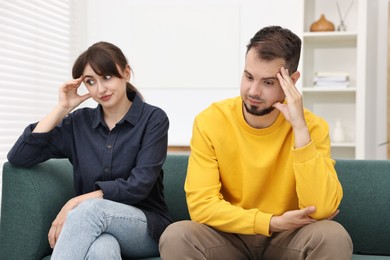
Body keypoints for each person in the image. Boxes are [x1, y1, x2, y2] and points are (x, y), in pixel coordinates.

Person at [159, 26, 353, 259]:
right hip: (229, 236)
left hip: (289, 238)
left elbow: (321, 208)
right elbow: (201, 206)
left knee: (333, 236)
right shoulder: (210, 121)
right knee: (176, 236)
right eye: (249, 76)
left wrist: (300, 129)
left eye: (269, 82)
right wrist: (270, 222)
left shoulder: (313, 126)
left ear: (291, 81)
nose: (253, 91)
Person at [7, 41, 172, 259]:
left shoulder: (153, 119)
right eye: (91, 82)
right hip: (97, 226)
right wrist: (62, 108)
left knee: (90, 209)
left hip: (146, 228)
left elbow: (137, 186)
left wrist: (76, 202)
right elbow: (20, 156)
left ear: (126, 73)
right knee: (102, 247)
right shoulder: (79, 123)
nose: (100, 89)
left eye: (107, 77)